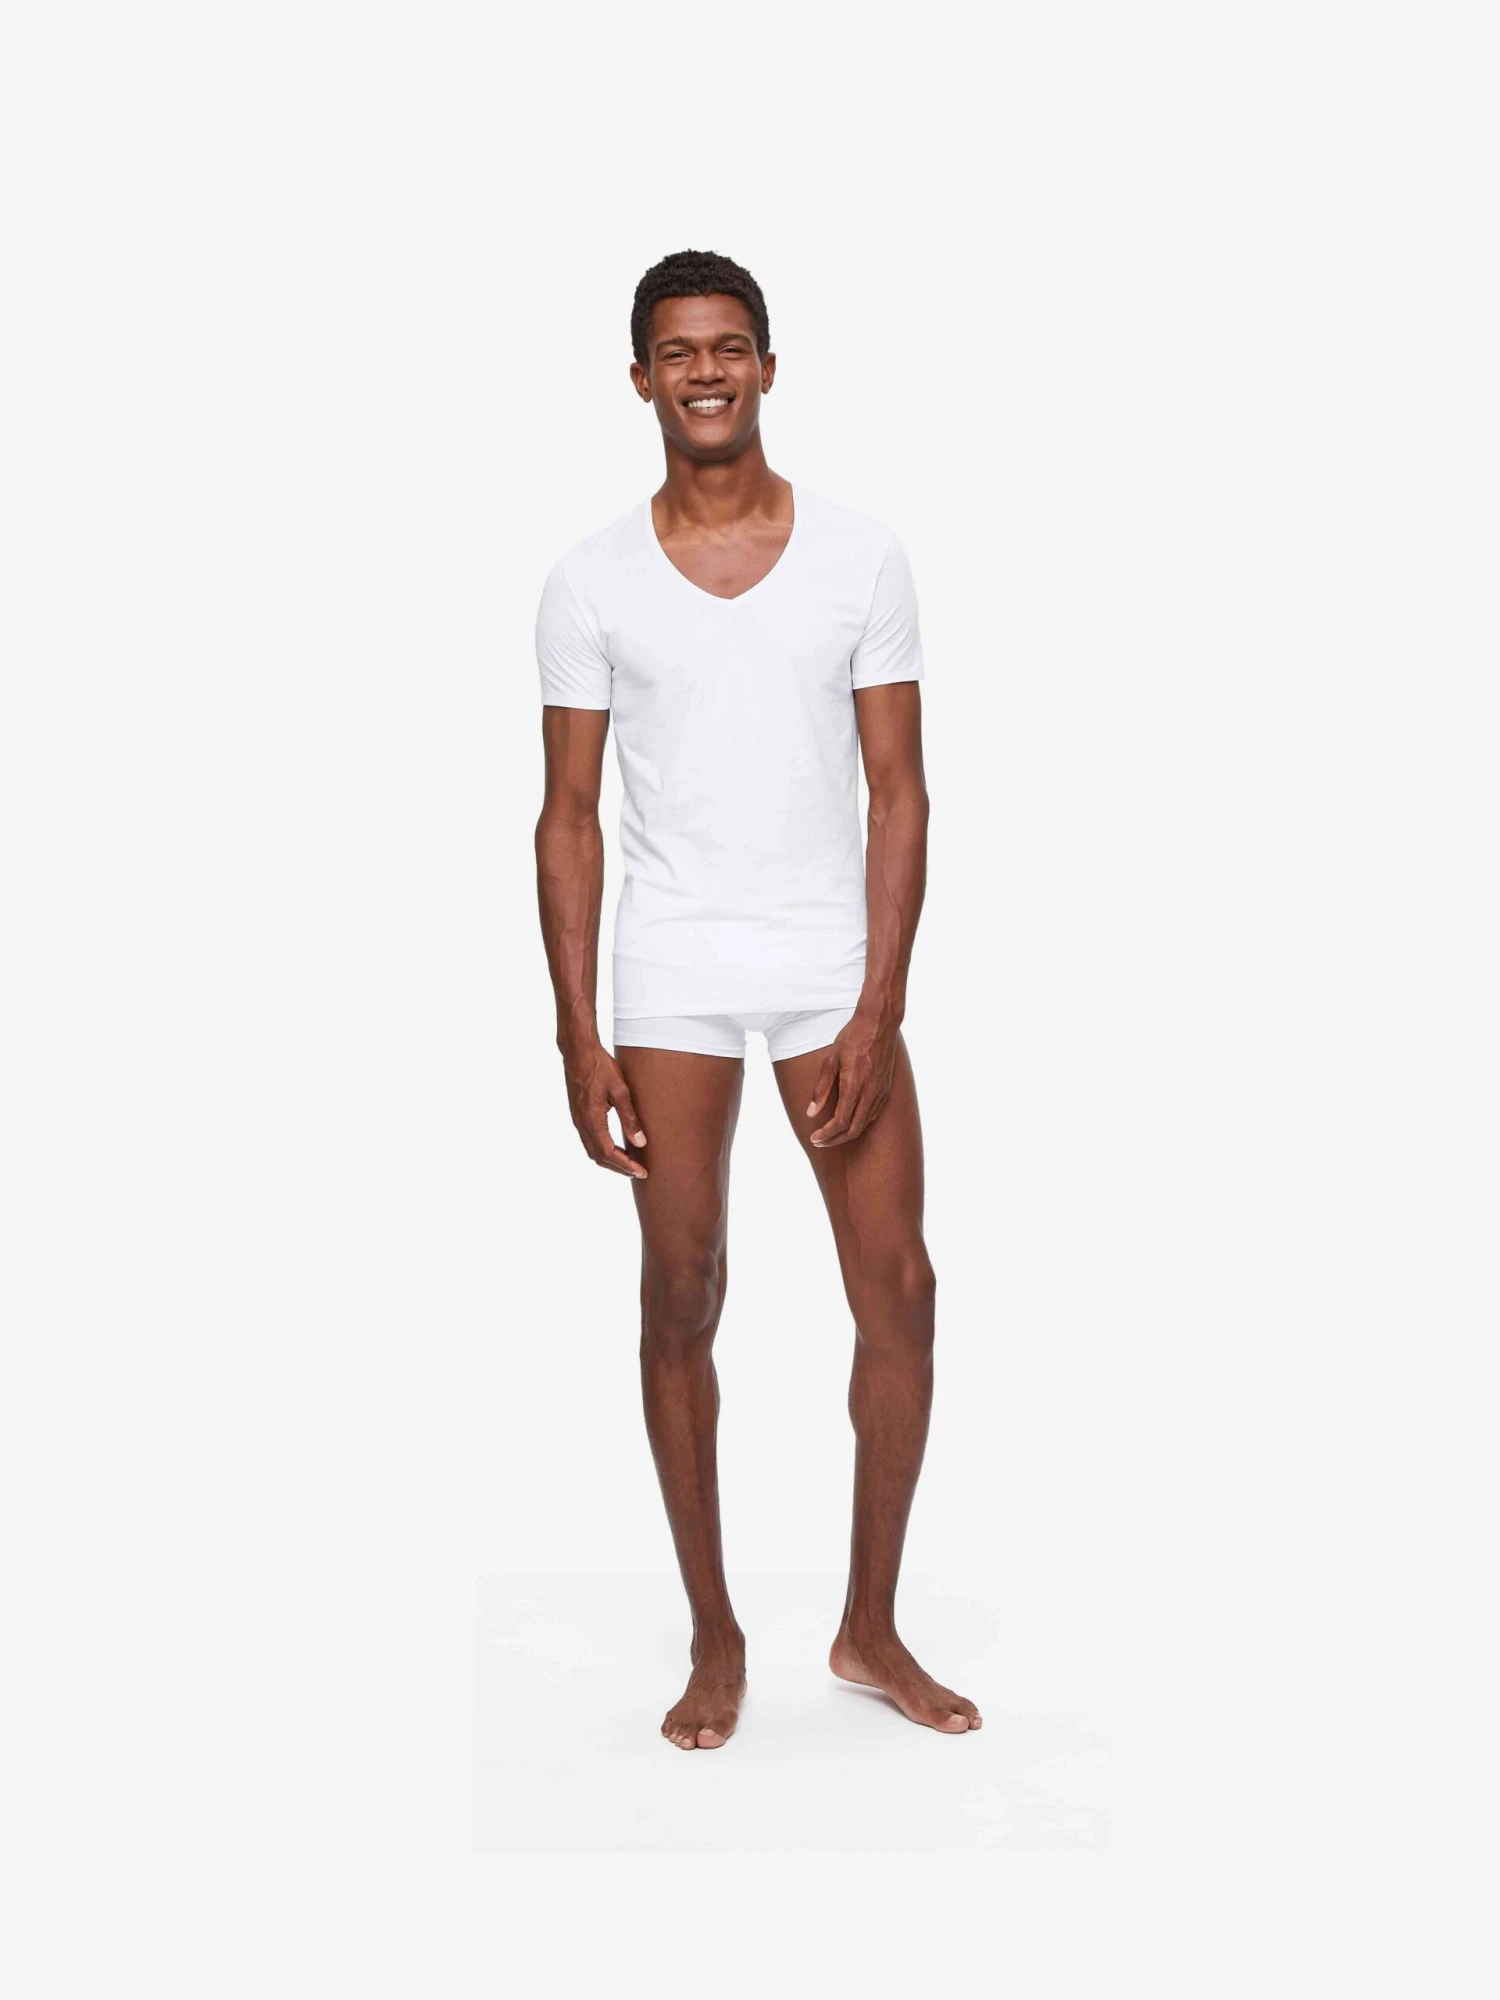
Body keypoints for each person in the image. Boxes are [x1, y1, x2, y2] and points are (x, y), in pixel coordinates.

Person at [533, 248, 980, 1750]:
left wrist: (877, 1005)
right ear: (641, 379)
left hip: (826, 959)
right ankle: (714, 1631)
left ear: (769, 368)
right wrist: (576, 1027)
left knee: (899, 1288)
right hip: (670, 964)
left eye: (729, 346)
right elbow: (569, 819)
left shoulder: (862, 558)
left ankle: (870, 1626)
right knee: (681, 1289)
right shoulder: (590, 579)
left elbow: (903, 793)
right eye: (678, 351)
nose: (706, 371)